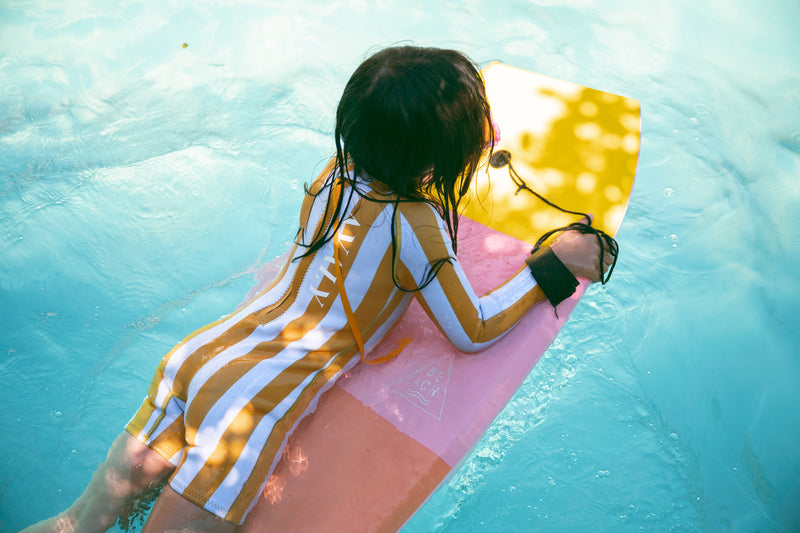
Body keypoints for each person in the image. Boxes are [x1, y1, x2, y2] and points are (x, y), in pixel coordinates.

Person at [23, 45, 613, 532]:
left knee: (76, 524)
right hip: (249, 410)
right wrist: (552, 265)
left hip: (200, 358)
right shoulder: (416, 223)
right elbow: (472, 330)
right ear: (440, 152)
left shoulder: (334, 173)